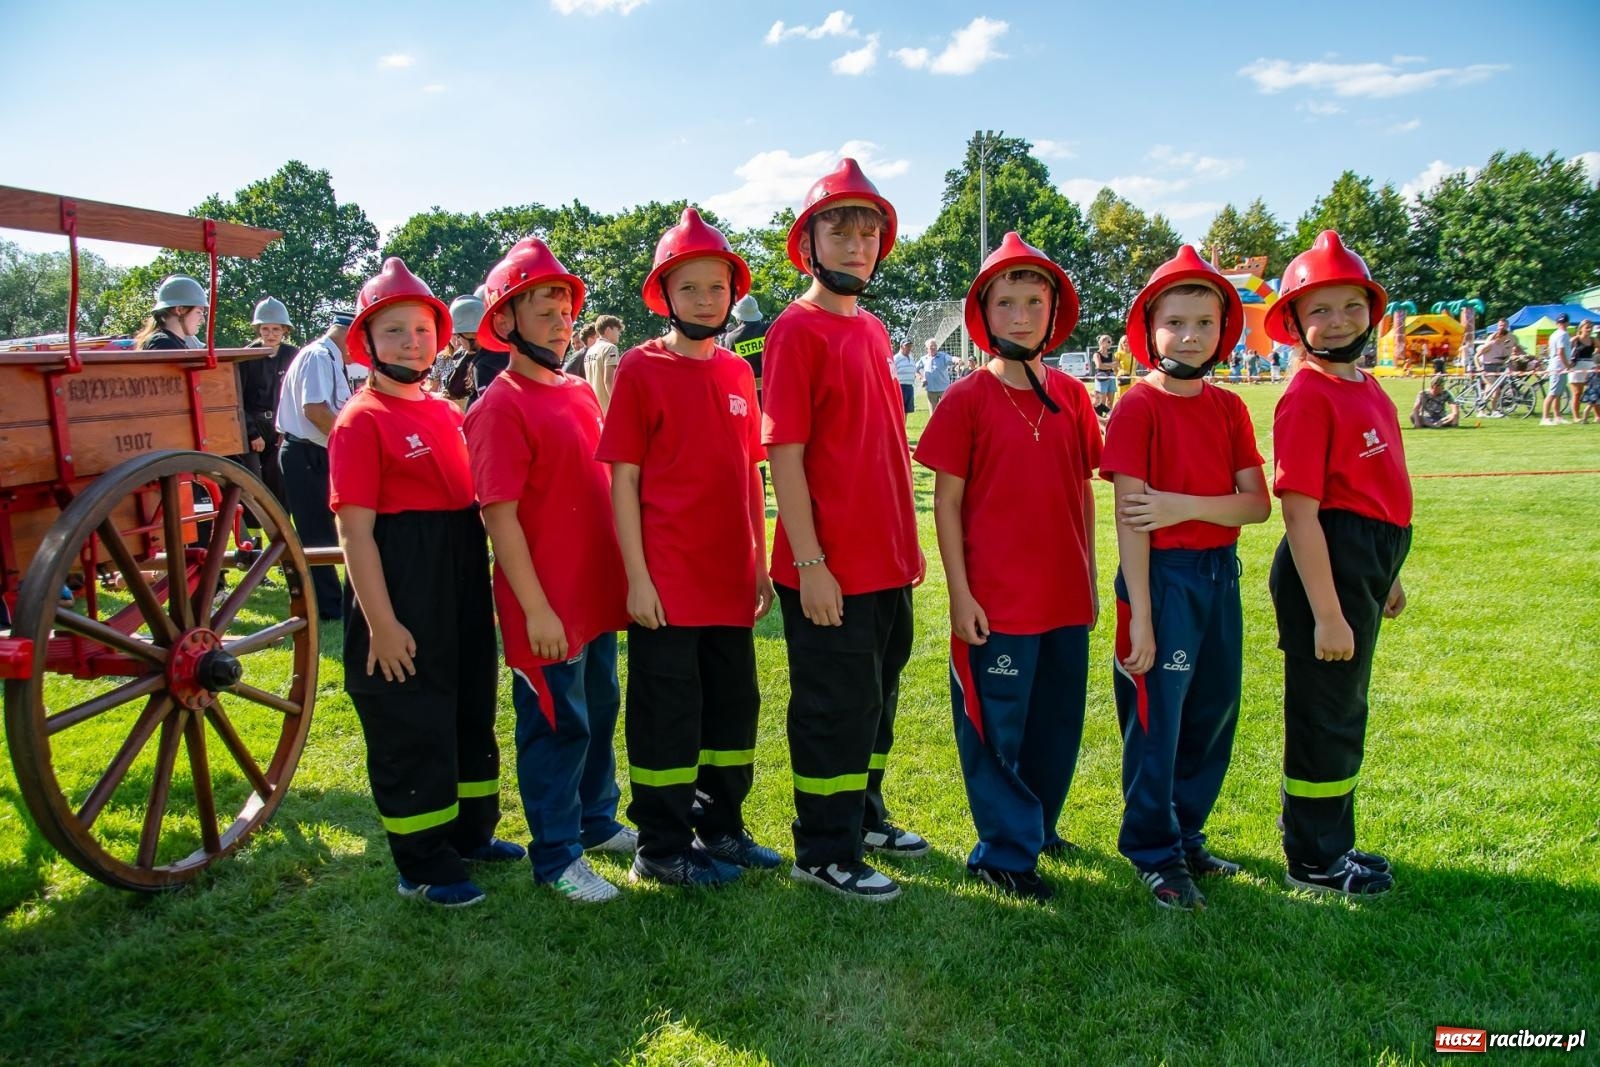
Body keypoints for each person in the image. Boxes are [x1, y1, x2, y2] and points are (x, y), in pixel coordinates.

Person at [329, 258, 521, 909]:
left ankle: (470, 834)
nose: (411, 341)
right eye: (394, 331)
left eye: (421, 329)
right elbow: (356, 535)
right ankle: (422, 861)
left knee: (467, 703)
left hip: (460, 574)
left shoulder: (444, 409)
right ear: (368, 341)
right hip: (403, 581)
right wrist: (382, 624)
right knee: (413, 718)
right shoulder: (360, 418)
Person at [914, 232, 1100, 903]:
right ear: (983, 315)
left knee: (1056, 723)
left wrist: (1090, 574)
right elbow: (947, 503)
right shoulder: (966, 398)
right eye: (1006, 303)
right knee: (998, 729)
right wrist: (959, 595)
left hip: (1062, 597)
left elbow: (1083, 488)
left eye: (1033, 301)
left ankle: (1039, 825)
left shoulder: (1075, 398)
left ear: (1054, 312)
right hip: (996, 603)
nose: (1020, 315)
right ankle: (1002, 851)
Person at [597, 207, 780, 887]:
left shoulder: (737, 373)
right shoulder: (641, 369)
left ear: (732, 294)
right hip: (668, 584)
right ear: (664, 296)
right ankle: (663, 845)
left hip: (730, 581)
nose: (705, 299)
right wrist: (637, 578)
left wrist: (758, 565)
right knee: (668, 716)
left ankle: (722, 828)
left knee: (733, 710)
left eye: (716, 287)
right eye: (690, 287)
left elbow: (749, 475)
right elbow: (624, 481)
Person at [765, 158, 927, 902]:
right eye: (841, 226)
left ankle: (862, 815)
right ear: (810, 242)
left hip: (886, 560)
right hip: (828, 564)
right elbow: (786, 455)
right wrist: (810, 561)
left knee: (877, 695)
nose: (858, 241)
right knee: (834, 706)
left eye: (869, 230)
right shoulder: (795, 330)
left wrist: (906, 549)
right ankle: (822, 849)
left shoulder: (872, 327)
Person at [464, 237, 635, 905]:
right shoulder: (498, 405)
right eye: (545, 309)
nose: (562, 321)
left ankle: (595, 820)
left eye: (566, 308)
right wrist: (534, 608)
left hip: (593, 597)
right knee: (556, 725)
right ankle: (557, 854)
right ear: (505, 320)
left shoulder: (574, 390)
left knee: (598, 710)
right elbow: (499, 517)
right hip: (547, 604)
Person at [1102, 246, 1270, 910]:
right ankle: (1152, 848)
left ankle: (1187, 831)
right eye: (1175, 322)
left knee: (1211, 712)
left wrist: (1184, 504)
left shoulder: (1228, 408)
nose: (1190, 335)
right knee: (1158, 721)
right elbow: (1131, 519)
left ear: (1223, 330)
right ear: (1150, 330)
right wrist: (1140, 612)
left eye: (1204, 322)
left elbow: (1256, 503)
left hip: (1217, 580)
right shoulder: (1138, 407)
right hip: (1160, 583)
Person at [1264, 230, 1411, 897]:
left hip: (1361, 567)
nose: (1337, 321)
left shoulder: (1369, 387)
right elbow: (1301, 512)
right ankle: (1314, 859)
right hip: (1324, 566)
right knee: (1326, 714)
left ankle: (1333, 839)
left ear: (1371, 311)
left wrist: (1389, 575)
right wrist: (1327, 612)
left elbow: (1375, 489)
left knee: (1347, 708)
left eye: (1350, 305)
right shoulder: (1308, 392)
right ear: (1294, 321)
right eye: (1318, 309)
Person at [276, 310, 355, 621]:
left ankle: (337, 601)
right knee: (315, 533)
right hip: (307, 453)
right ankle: (328, 606)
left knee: (332, 528)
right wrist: (351, 442)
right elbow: (316, 411)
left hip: (317, 451)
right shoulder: (320, 356)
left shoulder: (328, 357)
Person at [239, 297, 295, 514]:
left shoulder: (292, 355)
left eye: (275, 329)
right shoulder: (246, 357)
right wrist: (253, 434)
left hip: (279, 426)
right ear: (258, 330)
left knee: (280, 482)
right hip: (253, 426)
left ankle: (282, 534)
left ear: (284, 331)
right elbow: (239, 400)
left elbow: (293, 397)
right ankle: (255, 539)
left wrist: (285, 429)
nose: (270, 334)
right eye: (265, 329)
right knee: (253, 482)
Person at [133, 275, 208, 351]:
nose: (202, 320)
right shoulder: (164, 344)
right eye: (198, 312)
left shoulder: (171, 343)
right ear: (179, 310)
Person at [440, 293, 486, 405]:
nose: (458, 341)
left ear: (467, 334)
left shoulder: (485, 366)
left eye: (458, 336)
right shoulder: (464, 356)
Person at [724, 296, 769, 408]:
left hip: (747, 395)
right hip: (772, 390)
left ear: (739, 317)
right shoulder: (770, 329)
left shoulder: (732, 338)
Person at [586, 315, 624, 412]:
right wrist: (619, 405)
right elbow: (608, 380)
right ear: (608, 330)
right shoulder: (610, 348)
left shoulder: (590, 350)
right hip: (607, 409)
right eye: (617, 330)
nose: (619, 333)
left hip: (594, 408)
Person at [1542, 313, 1574, 425]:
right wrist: (1568, 366)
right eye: (1561, 322)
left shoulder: (1554, 334)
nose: (1562, 324)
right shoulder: (1563, 335)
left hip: (1557, 366)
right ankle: (1545, 418)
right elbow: (1560, 352)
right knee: (1553, 393)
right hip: (1558, 366)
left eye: (1563, 322)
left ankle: (1557, 416)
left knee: (1558, 393)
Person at [1565, 318, 1593, 423]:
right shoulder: (1575, 340)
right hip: (1576, 368)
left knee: (1593, 391)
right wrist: (1568, 362)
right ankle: (1576, 416)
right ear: (1581, 328)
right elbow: (1565, 351)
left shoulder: (1593, 340)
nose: (1589, 329)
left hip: (1590, 367)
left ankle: (1597, 416)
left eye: (1591, 327)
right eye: (1587, 327)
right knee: (1577, 393)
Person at [918, 337, 953, 411]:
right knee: (933, 415)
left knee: (946, 412)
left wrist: (957, 360)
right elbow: (915, 369)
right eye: (931, 346)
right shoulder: (923, 359)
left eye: (935, 346)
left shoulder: (943, 356)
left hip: (944, 390)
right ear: (926, 348)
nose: (933, 347)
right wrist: (921, 378)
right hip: (931, 390)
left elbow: (952, 359)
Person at [891, 340, 918, 419]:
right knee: (899, 410)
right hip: (900, 386)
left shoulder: (911, 357)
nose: (909, 348)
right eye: (907, 346)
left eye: (910, 346)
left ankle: (903, 429)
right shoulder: (896, 358)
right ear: (901, 346)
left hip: (910, 386)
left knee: (906, 410)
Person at [1092, 334, 1118, 409]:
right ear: (1102, 343)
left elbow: (1116, 364)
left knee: (1110, 402)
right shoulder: (1097, 354)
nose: (1111, 343)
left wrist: (1105, 364)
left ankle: (1108, 419)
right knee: (1101, 402)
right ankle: (1100, 419)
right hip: (1101, 379)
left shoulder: (1111, 354)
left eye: (1111, 341)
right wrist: (1111, 365)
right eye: (1109, 341)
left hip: (1111, 377)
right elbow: (1099, 366)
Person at [1115, 334, 1135, 399]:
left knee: (1132, 397)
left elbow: (1135, 365)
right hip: (1122, 378)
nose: (1126, 343)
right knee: (1122, 397)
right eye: (1124, 342)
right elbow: (1115, 367)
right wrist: (1119, 375)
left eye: (1128, 341)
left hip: (1132, 378)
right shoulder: (1118, 354)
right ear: (1121, 344)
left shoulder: (1134, 354)